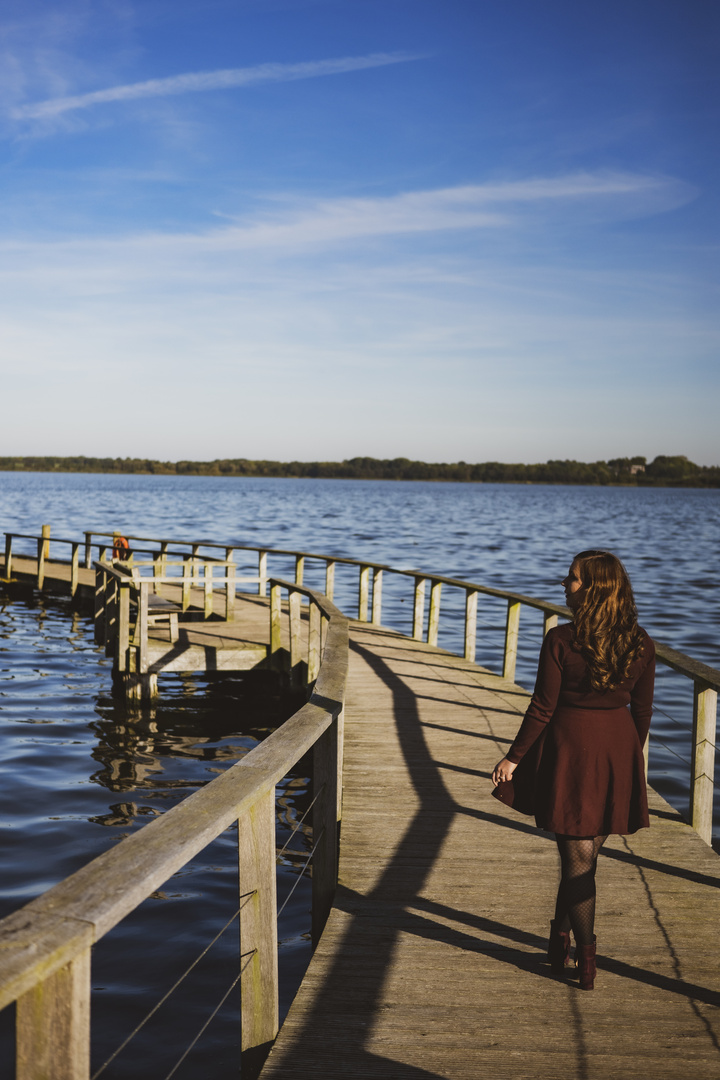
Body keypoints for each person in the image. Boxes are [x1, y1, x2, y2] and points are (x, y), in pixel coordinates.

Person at [492, 550, 655, 990]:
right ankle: (559, 937)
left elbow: (542, 707)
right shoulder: (640, 641)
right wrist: (626, 760)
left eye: (572, 579)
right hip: (617, 750)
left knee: (578, 859)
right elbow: (642, 712)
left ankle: (586, 959)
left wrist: (513, 757)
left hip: (572, 751)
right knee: (582, 858)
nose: (564, 585)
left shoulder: (561, 640)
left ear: (595, 588)